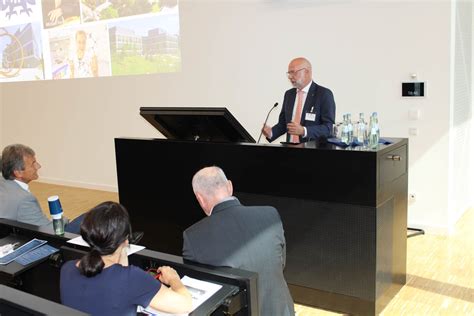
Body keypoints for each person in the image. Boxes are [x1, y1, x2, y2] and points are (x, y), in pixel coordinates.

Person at [183, 166, 295, 316]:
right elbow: (280, 263)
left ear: (200, 198)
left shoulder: (193, 236)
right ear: (229, 186)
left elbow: (202, 295)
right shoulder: (270, 214)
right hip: (280, 310)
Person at [61, 201, 192, 315]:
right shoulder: (132, 278)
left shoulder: (67, 268)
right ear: (126, 239)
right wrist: (174, 279)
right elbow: (185, 305)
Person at [262, 57, 336, 143]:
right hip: (290, 149)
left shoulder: (323, 94)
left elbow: (328, 128)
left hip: (313, 151)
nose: (290, 77)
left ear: (307, 72)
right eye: (289, 73)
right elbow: (284, 124)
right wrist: (271, 133)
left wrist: (304, 131)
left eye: (293, 72)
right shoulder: (289, 94)